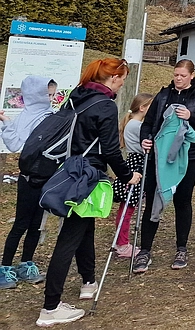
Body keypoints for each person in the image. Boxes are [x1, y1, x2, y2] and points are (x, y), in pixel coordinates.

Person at [37, 58, 141, 327]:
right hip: (88, 175)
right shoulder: (105, 105)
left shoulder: (76, 97)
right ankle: (50, 307)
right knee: (69, 238)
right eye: (122, 79)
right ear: (113, 78)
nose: (123, 84)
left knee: (84, 227)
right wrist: (128, 175)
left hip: (70, 169)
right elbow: (111, 150)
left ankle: (88, 281)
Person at [133, 59, 195, 274]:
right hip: (159, 156)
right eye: (176, 75)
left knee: (182, 201)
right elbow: (148, 124)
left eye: (182, 75)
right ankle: (145, 250)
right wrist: (145, 139)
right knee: (153, 199)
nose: (178, 78)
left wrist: (191, 116)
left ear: (192, 76)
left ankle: (181, 249)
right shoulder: (163, 96)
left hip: (189, 156)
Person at [0, 76, 57, 288]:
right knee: (21, 223)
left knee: (36, 224)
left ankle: (26, 262)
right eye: (47, 95)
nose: (50, 99)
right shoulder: (25, 118)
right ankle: (5, 267)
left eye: (52, 95)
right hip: (28, 178)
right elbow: (15, 143)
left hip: (46, 177)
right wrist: (7, 123)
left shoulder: (53, 116)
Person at [111, 93, 153, 260]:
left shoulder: (133, 123)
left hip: (135, 164)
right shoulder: (137, 125)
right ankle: (122, 244)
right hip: (136, 166)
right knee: (128, 207)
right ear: (142, 108)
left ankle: (121, 242)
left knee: (128, 206)